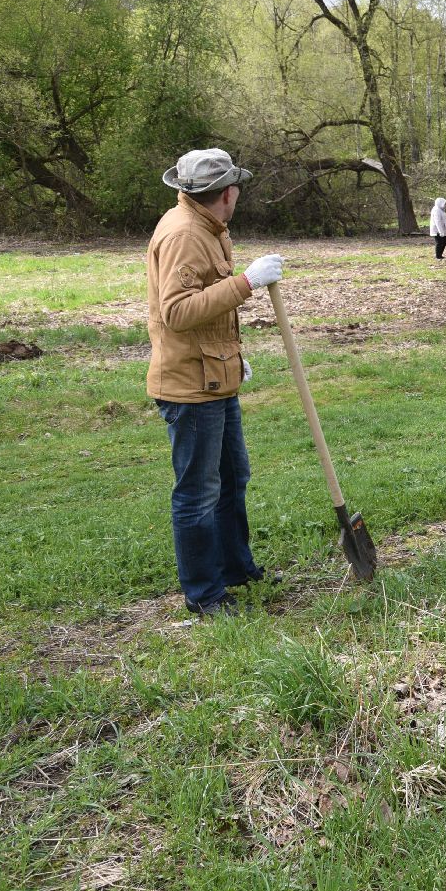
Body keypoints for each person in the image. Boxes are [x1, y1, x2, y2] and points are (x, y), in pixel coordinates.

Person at [147, 149, 283, 617]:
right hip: (189, 388)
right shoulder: (185, 234)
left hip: (213, 378)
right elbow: (178, 312)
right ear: (228, 192)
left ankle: (235, 569)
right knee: (197, 493)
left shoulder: (208, 227)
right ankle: (204, 595)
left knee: (232, 478)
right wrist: (247, 282)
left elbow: (208, 308)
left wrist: (232, 359)